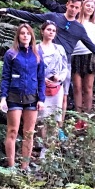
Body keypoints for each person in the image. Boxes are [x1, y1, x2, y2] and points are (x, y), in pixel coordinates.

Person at [0, 23, 45, 170]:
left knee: (29, 133)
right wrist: (3, 97)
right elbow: (5, 77)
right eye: (22, 33)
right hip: (14, 95)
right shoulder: (11, 54)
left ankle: (25, 167)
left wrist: (41, 99)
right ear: (18, 36)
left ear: (32, 36)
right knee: (12, 131)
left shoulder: (37, 54)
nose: (25, 36)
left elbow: (41, 78)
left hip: (32, 97)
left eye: (28, 33)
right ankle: (11, 166)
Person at [36, 20, 69, 155]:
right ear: (42, 31)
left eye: (53, 31)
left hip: (56, 87)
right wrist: (42, 79)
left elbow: (65, 67)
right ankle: (43, 147)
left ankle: (51, 149)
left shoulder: (59, 49)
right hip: (41, 86)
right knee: (42, 117)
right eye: (48, 30)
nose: (51, 32)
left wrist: (59, 78)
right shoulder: (36, 48)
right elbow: (33, 67)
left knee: (55, 117)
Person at [70, 0, 95, 117]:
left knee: (88, 87)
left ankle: (87, 115)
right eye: (87, 5)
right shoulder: (75, 22)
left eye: (92, 6)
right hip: (75, 56)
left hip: (91, 56)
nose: (90, 8)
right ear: (82, 7)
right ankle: (78, 115)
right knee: (77, 87)